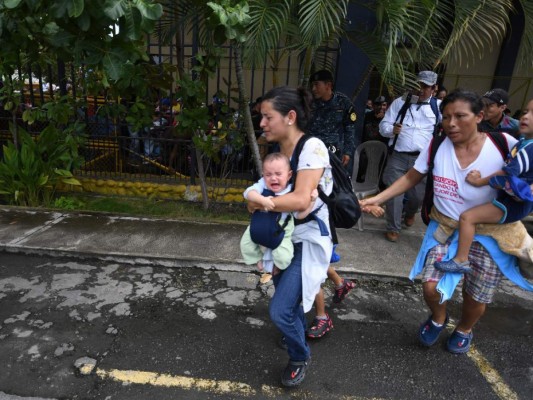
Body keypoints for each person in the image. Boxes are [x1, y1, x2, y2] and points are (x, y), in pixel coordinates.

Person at [361, 89, 533, 354]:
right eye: (446, 117)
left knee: (475, 295)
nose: (451, 123)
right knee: (430, 288)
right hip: (445, 227)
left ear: (479, 116)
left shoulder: (505, 144)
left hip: (490, 234)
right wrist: (378, 199)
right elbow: (411, 177)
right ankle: (438, 318)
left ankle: (464, 328)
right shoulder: (437, 144)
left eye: (460, 116)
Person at [247, 85, 333, 387]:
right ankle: (294, 333)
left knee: (280, 311)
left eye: (268, 117)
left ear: (290, 116)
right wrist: (259, 200)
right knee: (290, 305)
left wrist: (264, 202)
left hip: (307, 242)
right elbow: (255, 195)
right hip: (282, 239)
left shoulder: (312, 149)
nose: (262, 123)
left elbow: (297, 201)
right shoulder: (279, 153)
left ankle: (299, 356)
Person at [435, 98, 533, 273]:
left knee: (467, 217)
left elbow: (507, 174)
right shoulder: (523, 142)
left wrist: (479, 181)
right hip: (514, 200)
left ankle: (461, 260)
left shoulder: (529, 149)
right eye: (526, 112)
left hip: (513, 203)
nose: (526, 117)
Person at [379, 70, 441, 242]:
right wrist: (392, 130)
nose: (421, 90)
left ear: (434, 89)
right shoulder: (400, 102)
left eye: (426, 87)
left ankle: (411, 211)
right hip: (398, 155)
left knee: (418, 196)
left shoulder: (439, 107)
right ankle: (393, 228)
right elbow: (383, 126)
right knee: (394, 193)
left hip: (421, 159)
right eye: (419, 85)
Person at [240, 152, 318, 275]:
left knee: (283, 256)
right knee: (246, 244)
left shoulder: (292, 191)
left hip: (281, 230)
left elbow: (299, 215)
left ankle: (278, 266)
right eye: (268, 174)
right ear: (263, 175)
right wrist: (262, 200)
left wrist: (312, 201)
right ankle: (257, 259)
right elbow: (248, 193)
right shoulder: (262, 184)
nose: (273, 178)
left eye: (278, 174)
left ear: (289, 175)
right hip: (258, 225)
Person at [308, 69, 358, 169]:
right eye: (312, 85)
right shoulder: (309, 102)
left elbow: (349, 128)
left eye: (317, 84)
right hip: (311, 149)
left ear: (328, 85)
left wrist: (348, 152)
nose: (313, 89)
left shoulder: (343, 102)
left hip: (333, 151)